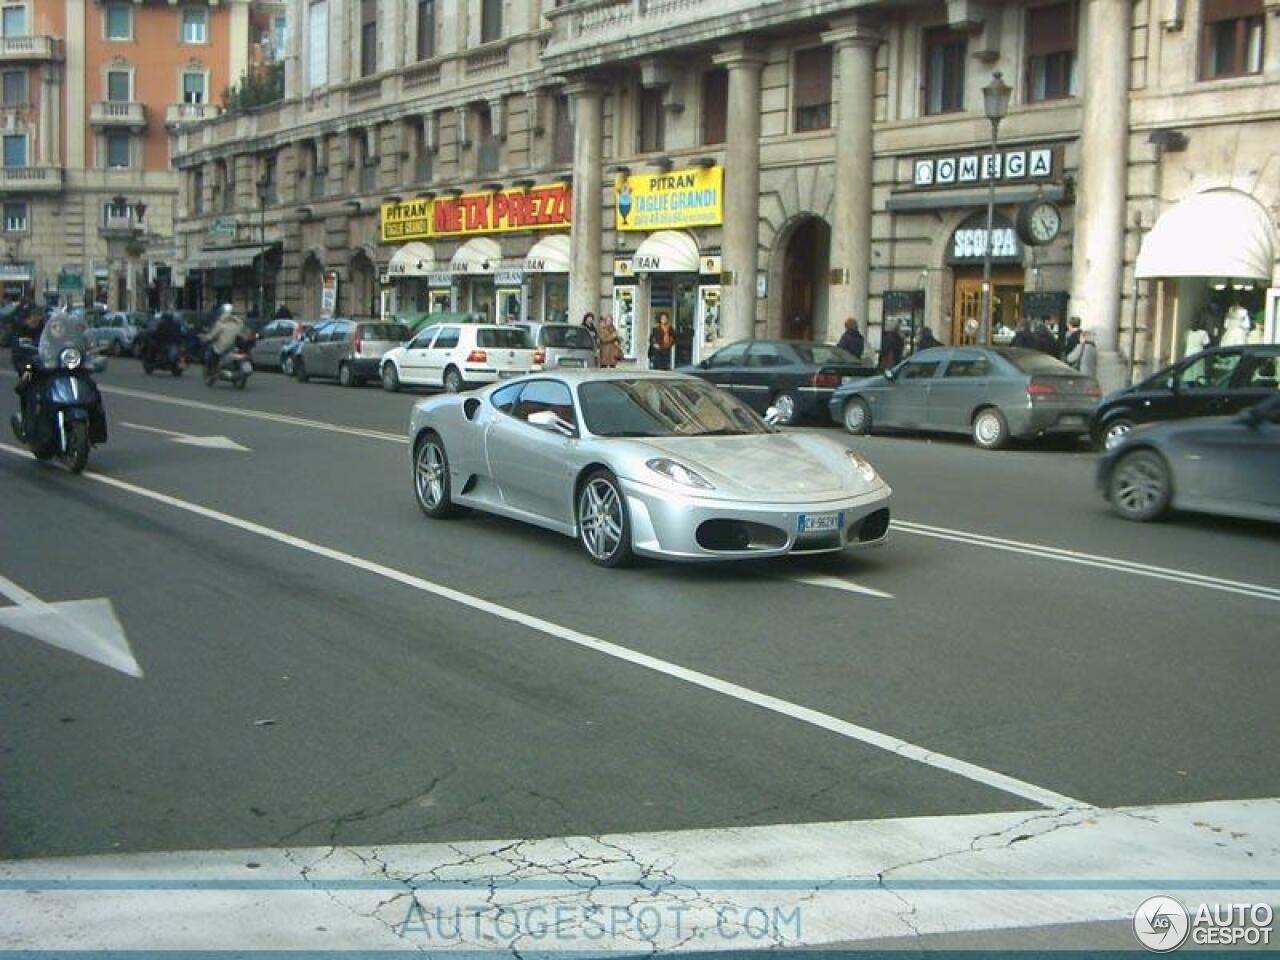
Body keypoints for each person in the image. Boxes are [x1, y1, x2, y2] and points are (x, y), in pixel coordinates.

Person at [203, 303, 245, 377]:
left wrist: (206, 338)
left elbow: (213, 334)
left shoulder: (221, 323)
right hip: (233, 346)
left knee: (213, 352)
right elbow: (242, 332)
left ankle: (213, 370)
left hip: (222, 346)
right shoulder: (238, 322)